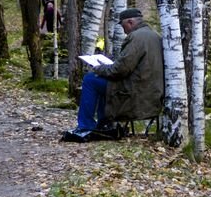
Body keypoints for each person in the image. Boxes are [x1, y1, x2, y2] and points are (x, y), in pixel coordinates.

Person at [62, 8, 164, 143]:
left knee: (90, 80)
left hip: (137, 94)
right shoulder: (155, 35)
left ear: (130, 22)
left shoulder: (136, 37)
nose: (123, 30)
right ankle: (104, 124)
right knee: (104, 81)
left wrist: (99, 68)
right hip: (151, 92)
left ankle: (85, 126)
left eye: (123, 26)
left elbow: (120, 70)